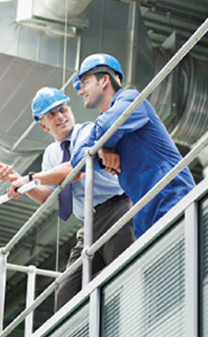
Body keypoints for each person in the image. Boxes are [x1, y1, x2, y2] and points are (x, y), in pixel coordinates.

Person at [0, 87, 135, 309]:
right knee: (66, 292)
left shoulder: (86, 132)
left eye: (62, 110)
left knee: (123, 269)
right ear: (44, 124)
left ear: (70, 111)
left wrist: (29, 178)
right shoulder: (51, 154)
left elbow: (76, 170)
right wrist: (20, 181)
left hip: (116, 209)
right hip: (90, 223)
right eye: (52, 114)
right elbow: (49, 195)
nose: (60, 117)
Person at [71, 53, 196, 238]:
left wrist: (104, 145)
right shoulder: (103, 123)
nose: (80, 91)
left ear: (104, 80)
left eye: (85, 82)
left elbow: (107, 127)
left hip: (169, 194)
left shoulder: (131, 99)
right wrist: (101, 153)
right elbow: (77, 160)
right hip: (143, 210)